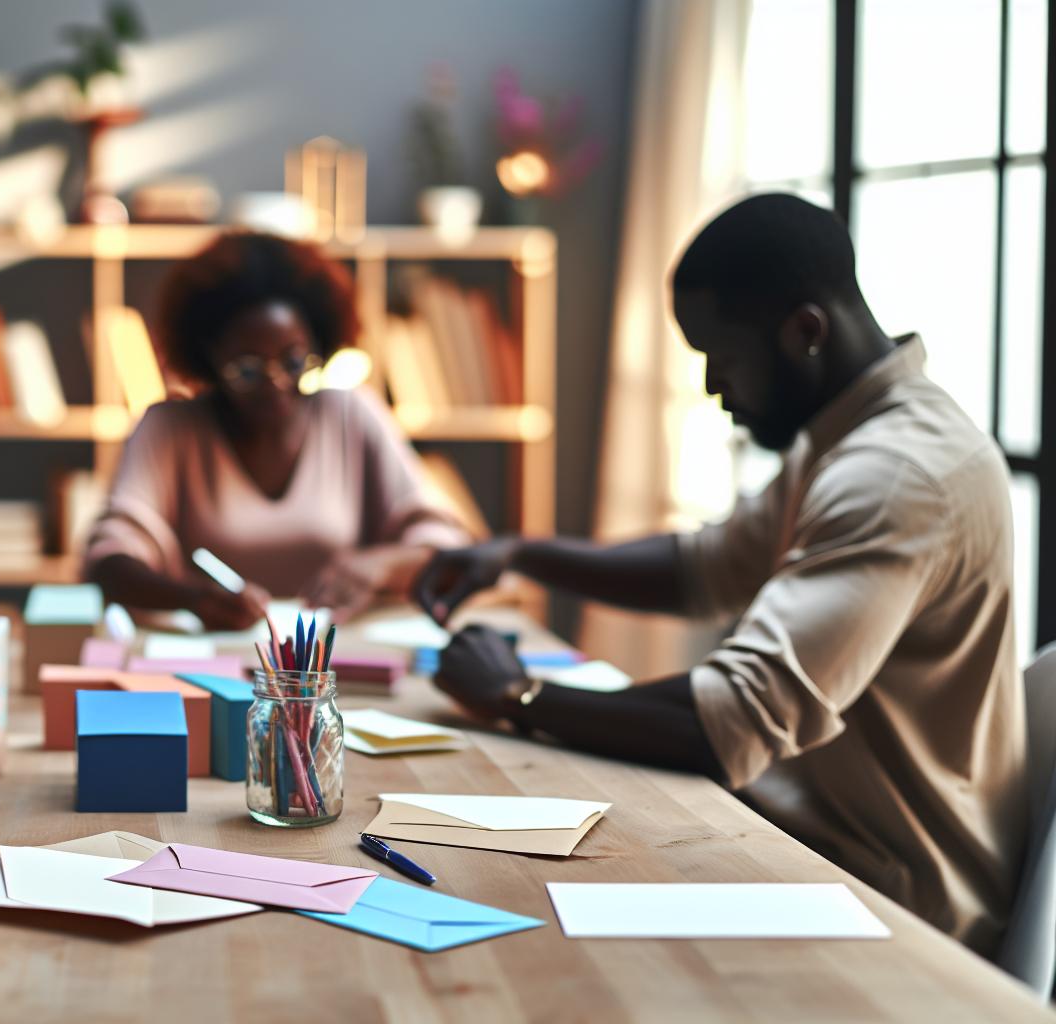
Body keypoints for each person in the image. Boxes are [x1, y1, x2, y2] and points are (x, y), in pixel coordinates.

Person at [416, 193, 1025, 954]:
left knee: (516, 928)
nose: (712, 386)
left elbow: (735, 720)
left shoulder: (896, 476)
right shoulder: (846, 438)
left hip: (893, 905)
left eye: (723, 358)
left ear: (806, 332)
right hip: (809, 848)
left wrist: (520, 694)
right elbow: (701, 569)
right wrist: (518, 553)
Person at [85, 232, 468, 629]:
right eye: (248, 369)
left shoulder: (351, 414)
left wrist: (380, 566)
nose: (276, 385)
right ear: (210, 357)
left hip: (338, 658)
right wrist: (192, 598)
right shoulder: (171, 429)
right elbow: (109, 561)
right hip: (210, 656)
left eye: (293, 361)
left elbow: (447, 547)